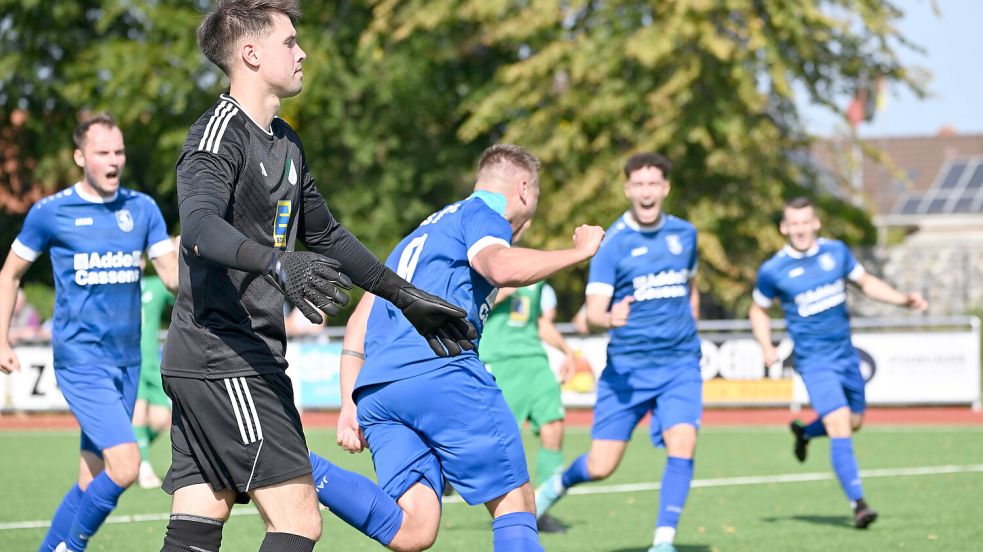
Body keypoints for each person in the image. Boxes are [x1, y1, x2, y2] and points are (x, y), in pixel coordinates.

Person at [159, 2, 475, 551]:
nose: (302, 52)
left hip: (228, 358)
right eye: (290, 41)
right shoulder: (215, 135)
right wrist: (276, 261)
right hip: (225, 356)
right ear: (251, 53)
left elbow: (326, 235)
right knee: (298, 522)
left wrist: (404, 295)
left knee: (199, 517)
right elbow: (199, 230)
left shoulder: (285, 142)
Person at [313, 144, 604, 552]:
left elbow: (359, 321)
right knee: (516, 504)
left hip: (378, 393)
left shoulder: (419, 235)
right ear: (523, 189)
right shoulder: (482, 215)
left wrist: (349, 402)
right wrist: (579, 252)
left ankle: (300, 466)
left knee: (414, 530)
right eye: (536, 196)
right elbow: (498, 267)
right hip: (441, 373)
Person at [0, 113, 178, 552]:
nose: (114, 160)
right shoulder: (51, 213)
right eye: (103, 153)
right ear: (81, 157)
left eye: (118, 152)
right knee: (126, 466)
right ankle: (71, 548)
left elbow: (173, 278)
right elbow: (10, 274)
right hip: (81, 360)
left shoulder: (143, 209)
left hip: (128, 362)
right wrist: (0, 337)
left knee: (90, 478)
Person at [535, 152, 702, 552]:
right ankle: (555, 486)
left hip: (680, 364)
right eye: (638, 184)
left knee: (684, 442)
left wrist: (689, 322)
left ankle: (663, 542)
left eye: (653, 184)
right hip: (627, 372)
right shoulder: (613, 245)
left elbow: (691, 285)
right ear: (628, 189)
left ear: (665, 188)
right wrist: (611, 318)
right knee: (601, 466)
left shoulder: (686, 234)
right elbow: (592, 313)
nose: (646, 192)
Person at [748, 196, 928, 529]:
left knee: (855, 421)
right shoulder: (773, 269)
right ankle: (859, 504)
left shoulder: (836, 253)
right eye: (794, 224)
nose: (800, 229)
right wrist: (765, 344)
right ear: (784, 228)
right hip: (813, 360)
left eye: (806, 222)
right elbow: (757, 309)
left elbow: (867, 283)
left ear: (816, 223)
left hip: (845, 355)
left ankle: (804, 433)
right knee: (841, 422)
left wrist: (903, 299)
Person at [480, 278, 577, 534]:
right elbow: (468, 306)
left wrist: (567, 351)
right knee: (496, 438)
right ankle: (449, 469)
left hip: (535, 361)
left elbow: (540, 322)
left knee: (554, 428)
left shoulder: (538, 280)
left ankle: (540, 507)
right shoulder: (488, 270)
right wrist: (499, 290)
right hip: (501, 362)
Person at [133, 238, 179, 489]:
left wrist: (175, 252)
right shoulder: (116, 289)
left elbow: (180, 291)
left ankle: (132, 453)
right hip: (129, 361)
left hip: (152, 362)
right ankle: (144, 467)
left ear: (143, 262)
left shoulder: (154, 285)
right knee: (137, 411)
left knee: (162, 419)